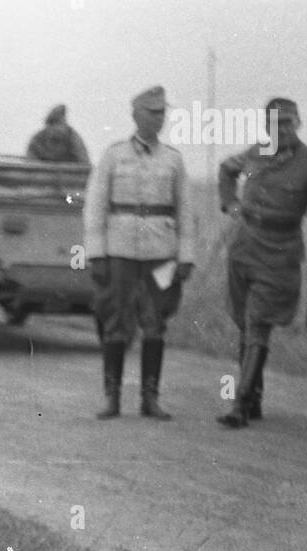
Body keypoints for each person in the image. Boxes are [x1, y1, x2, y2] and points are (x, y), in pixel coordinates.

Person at [216, 98, 307, 427]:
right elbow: (226, 169)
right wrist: (231, 205)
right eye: (278, 124)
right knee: (244, 322)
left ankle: (240, 402)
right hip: (244, 247)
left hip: (279, 253)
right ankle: (255, 399)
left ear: (299, 123)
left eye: (290, 122)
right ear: (267, 127)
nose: (285, 129)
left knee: (259, 321)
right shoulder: (255, 154)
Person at [83, 86, 195, 419]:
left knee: (155, 322)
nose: (158, 119)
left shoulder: (173, 159)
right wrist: (96, 253)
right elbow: (95, 206)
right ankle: (112, 397)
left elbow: (185, 210)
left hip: (160, 254)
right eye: (151, 112)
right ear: (136, 115)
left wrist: (186, 256)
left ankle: (150, 398)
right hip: (120, 252)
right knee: (116, 321)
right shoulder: (114, 155)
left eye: (162, 113)